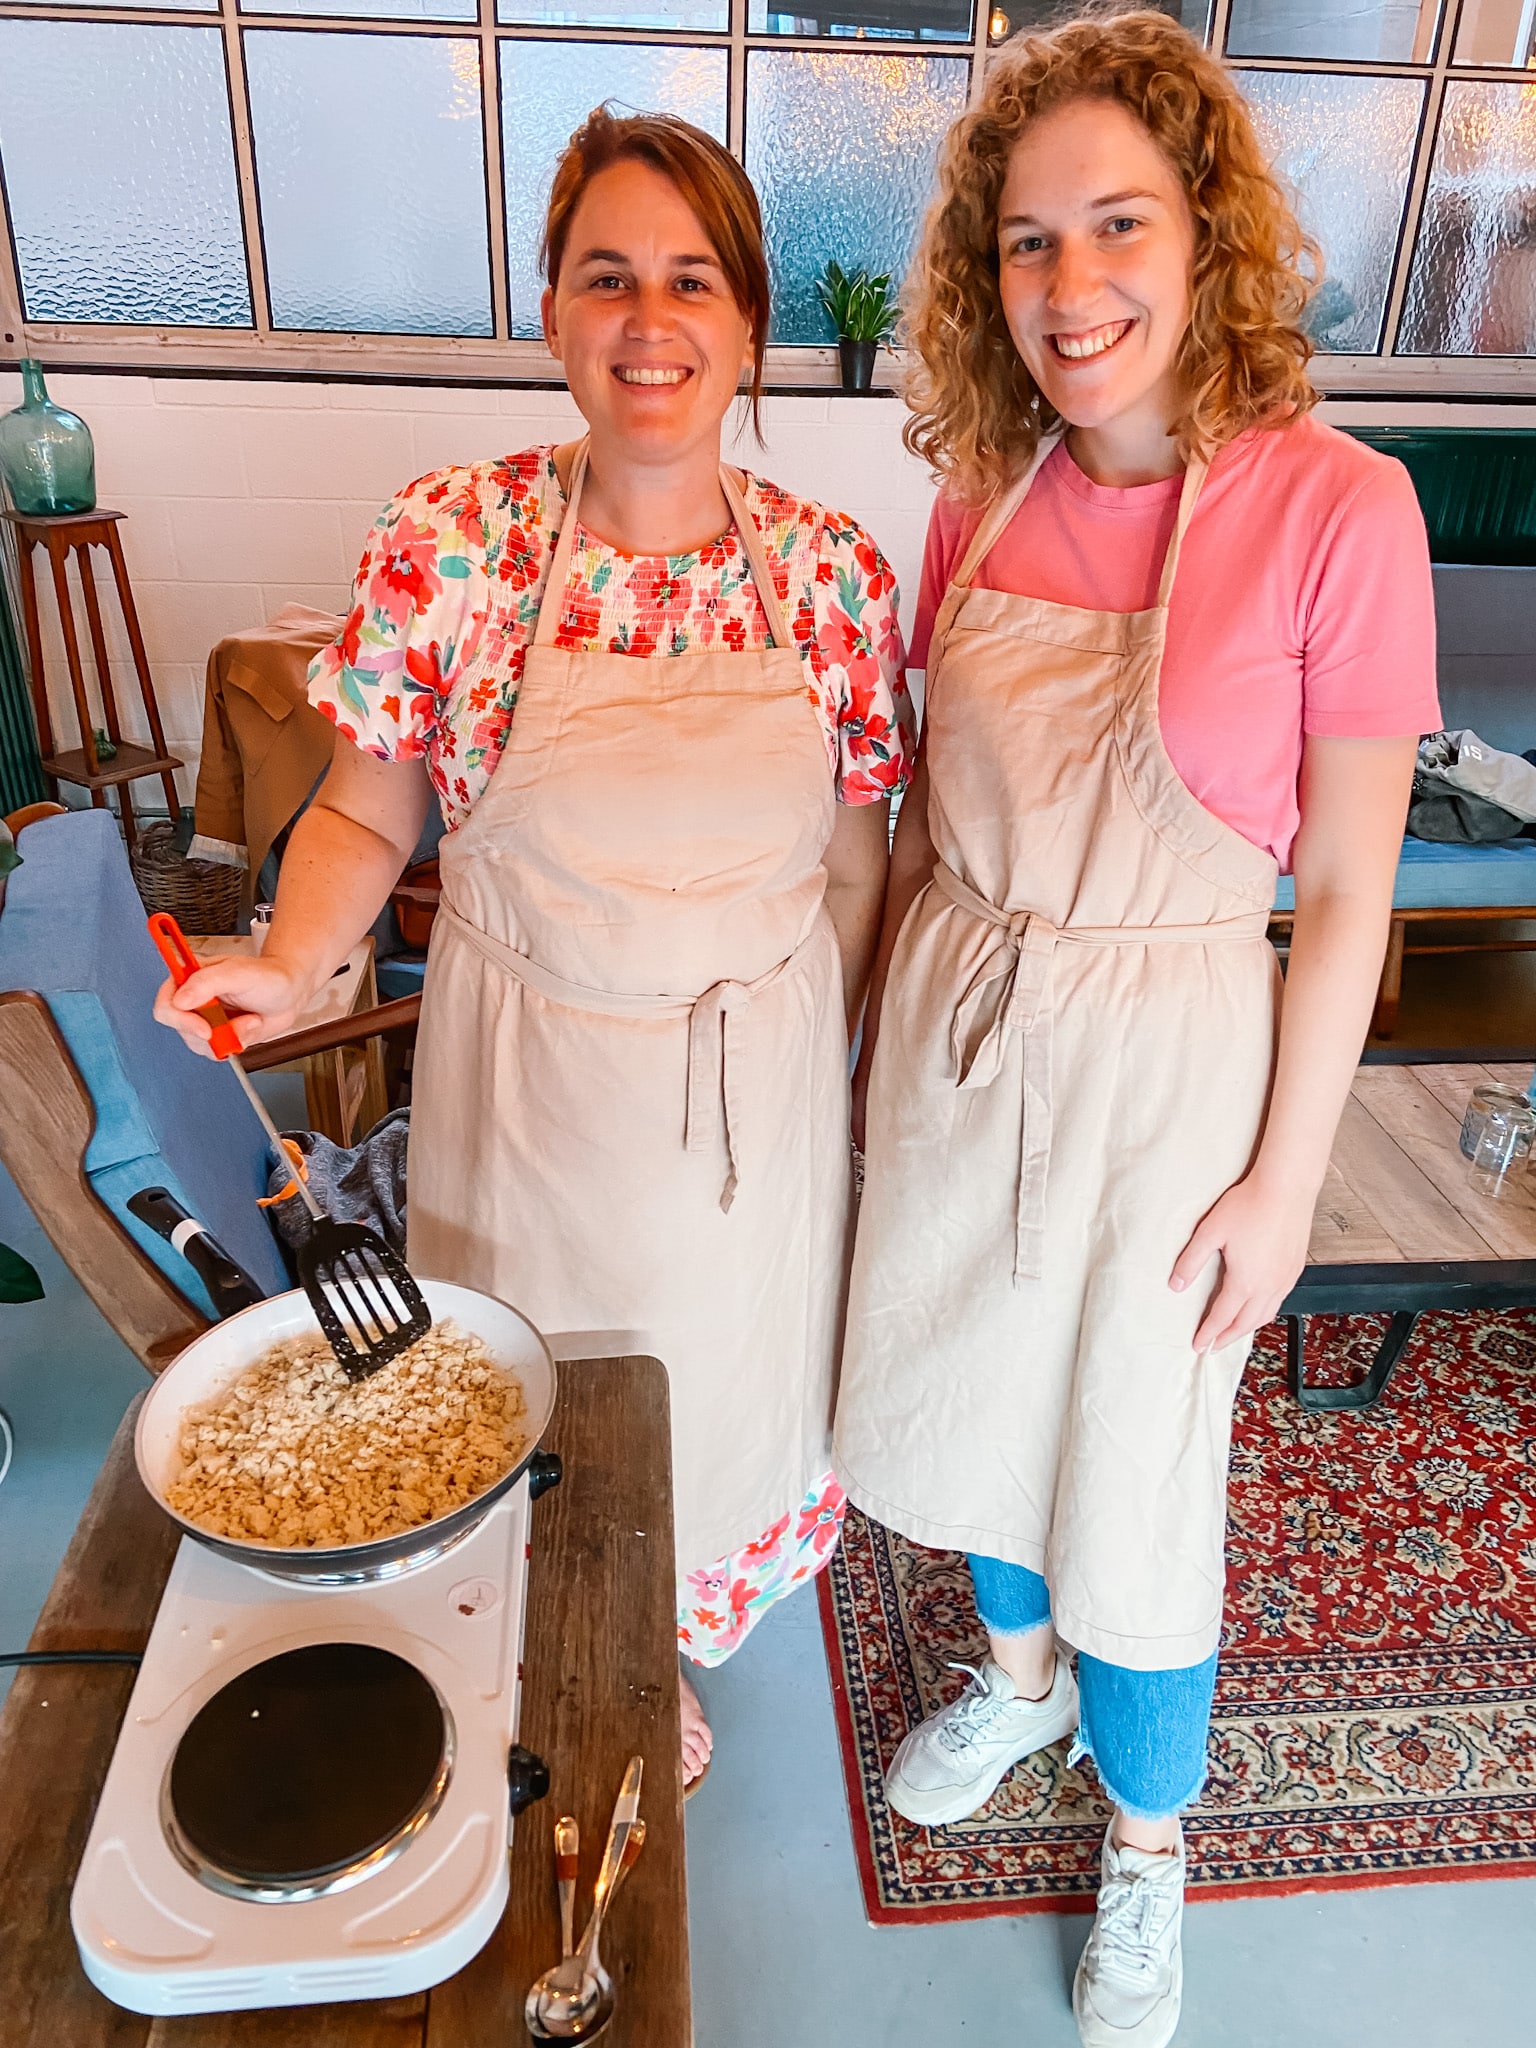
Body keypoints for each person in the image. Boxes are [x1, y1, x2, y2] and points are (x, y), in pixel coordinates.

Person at [156, 107, 915, 1789]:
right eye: (608, 276)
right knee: (526, 1380)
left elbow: (856, 864)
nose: (652, 321)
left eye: (693, 280)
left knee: (719, 1388)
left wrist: (828, 1069)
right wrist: (293, 955)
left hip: (752, 1098)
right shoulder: (457, 542)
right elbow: (368, 811)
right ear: (554, 310)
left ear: (748, 324)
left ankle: (648, 1639)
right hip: (530, 1085)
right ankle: (549, 1617)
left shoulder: (831, 576)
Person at [833, 13, 1438, 2043]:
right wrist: (868, 1049)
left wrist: (1286, 1184)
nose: (1070, 284)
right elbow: (923, 819)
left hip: (1174, 1069)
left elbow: (1343, 893)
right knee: (972, 1396)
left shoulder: (1341, 509)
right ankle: (1019, 1688)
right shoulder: (975, 495)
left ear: (1209, 236)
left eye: (1117, 225)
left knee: (1136, 1470)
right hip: (968, 1021)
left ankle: (1151, 1841)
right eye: (1026, 240)